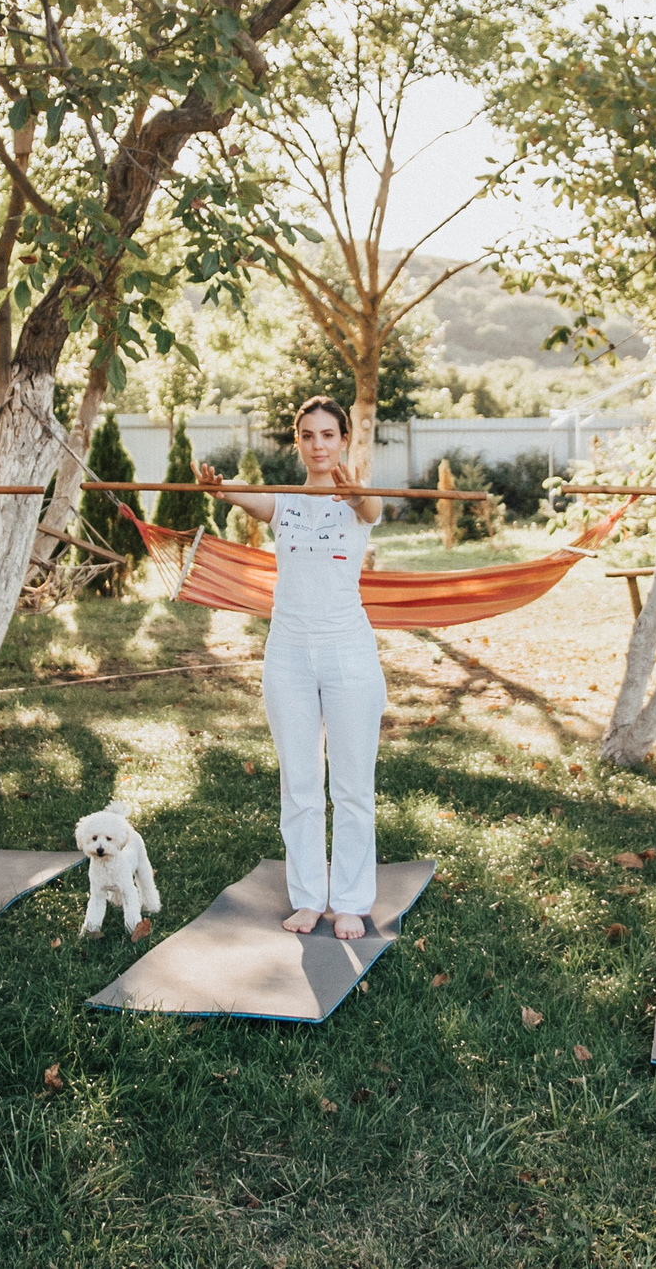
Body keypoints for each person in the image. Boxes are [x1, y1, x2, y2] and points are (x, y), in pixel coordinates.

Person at [197, 396, 386, 940]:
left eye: (329, 434)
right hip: (288, 652)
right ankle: (308, 896)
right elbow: (243, 497)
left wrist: (358, 494)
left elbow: (370, 511)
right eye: (308, 435)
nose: (319, 445)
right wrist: (218, 488)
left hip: (348, 651)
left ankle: (349, 899)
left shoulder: (359, 500)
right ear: (298, 441)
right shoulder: (284, 501)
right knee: (299, 783)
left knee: (351, 785)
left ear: (344, 440)